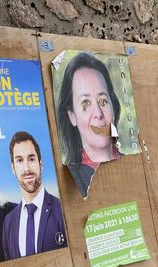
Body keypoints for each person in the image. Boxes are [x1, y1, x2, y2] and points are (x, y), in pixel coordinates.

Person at [56, 52, 123, 197]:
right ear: (72, 116)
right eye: (85, 103)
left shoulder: (132, 164)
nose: (98, 113)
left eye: (103, 101)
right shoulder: (70, 179)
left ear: (113, 106)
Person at [2, 131, 67, 260]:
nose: (27, 168)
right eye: (19, 160)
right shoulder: (9, 223)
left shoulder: (61, 210)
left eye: (31, 159)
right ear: (13, 168)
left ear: (40, 164)